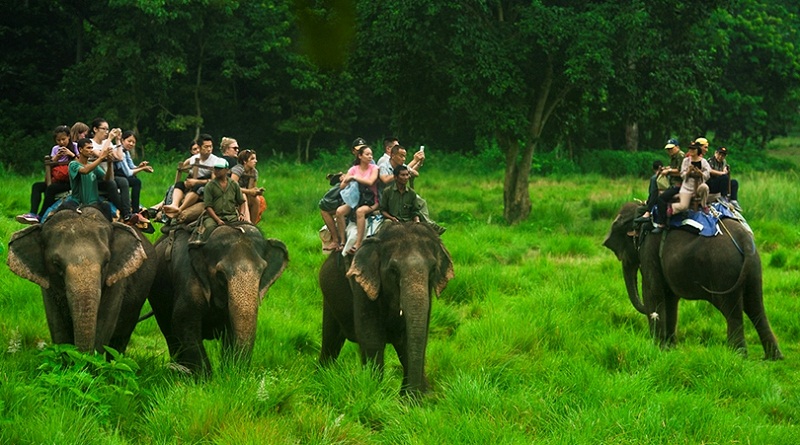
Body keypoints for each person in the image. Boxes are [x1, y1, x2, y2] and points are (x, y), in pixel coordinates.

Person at [67, 138, 140, 224]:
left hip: (94, 202)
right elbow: (84, 171)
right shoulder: (73, 164)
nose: (91, 150)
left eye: (91, 148)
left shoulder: (92, 165)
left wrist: (109, 163)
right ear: (80, 149)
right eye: (88, 148)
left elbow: (106, 178)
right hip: (78, 202)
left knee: (106, 208)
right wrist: (101, 158)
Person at [16, 125, 76, 224]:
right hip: (56, 179)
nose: (61, 142)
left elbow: (81, 162)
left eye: (63, 139)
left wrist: (70, 154)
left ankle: (41, 215)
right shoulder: (55, 149)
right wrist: (56, 157)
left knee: (51, 188)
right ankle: (33, 213)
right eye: (58, 140)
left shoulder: (75, 146)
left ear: (69, 137)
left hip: (69, 181)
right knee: (36, 186)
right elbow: (50, 165)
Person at [653, 142, 710, 233]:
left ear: (697, 150)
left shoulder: (703, 161)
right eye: (690, 149)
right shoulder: (686, 160)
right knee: (683, 206)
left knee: (705, 187)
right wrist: (689, 171)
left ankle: (704, 205)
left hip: (698, 184)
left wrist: (700, 173)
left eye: (693, 149)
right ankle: (671, 208)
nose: (691, 151)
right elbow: (682, 175)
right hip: (687, 187)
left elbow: (707, 175)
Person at [162, 133, 222, 218]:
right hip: (194, 181)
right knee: (179, 184)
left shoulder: (215, 161)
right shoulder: (194, 158)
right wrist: (188, 179)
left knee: (198, 187)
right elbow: (182, 167)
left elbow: (214, 182)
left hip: (207, 185)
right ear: (200, 147)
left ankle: (180, 209)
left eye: (210, 146)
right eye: (206, 147)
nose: (209, 149)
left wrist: (196, 181)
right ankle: (174, 205)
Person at [89, 118, 136, 222]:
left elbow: (119, 157)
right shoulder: (90, 143)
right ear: (95, 129)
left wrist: (118, 140)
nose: (106, 132)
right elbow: (101, 155)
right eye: (104, 129)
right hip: (97, 178)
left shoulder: (107, 142)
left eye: (108, 129)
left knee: (123, 181)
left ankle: (128, 213)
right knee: (112, 184)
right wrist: (109, 139)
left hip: (109, 175)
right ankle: (125, 212)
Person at [335, 145, 380, 254]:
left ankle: (358, 243)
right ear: (360, 156)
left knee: (360, 212)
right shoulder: (353, 169)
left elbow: (370, 182)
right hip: (356, 200)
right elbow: (342, 186)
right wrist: (346, 179)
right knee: (339, 212)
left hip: (371, 200)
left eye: (371, 154)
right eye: (367, 154)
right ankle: (342, 241)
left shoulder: (374, 168)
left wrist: (354, 178)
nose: (370, 157)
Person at [191, 159, 246, 244]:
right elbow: (208, 206)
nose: (217, 171)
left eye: (219, 169)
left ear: (226, 170)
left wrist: (242, 214)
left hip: (231, 216)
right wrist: (217, 220)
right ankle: (204, 247)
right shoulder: (210, 185)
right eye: (215, 169)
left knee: (245, 232)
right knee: (209, 229)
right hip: (213, 217)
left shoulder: (234, 184)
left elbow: (241, 201)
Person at [113, 130, 154, 214]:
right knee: (136, 182)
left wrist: (140, 166)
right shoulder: (119, 151)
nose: (131, 144)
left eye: (133, 142)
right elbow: (128, 172)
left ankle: (135, 207)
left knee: (135, 180)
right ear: (122, 140)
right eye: (129, 141)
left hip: (122, 175)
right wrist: (142, 169)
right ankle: (134, 210)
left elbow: (131, 167)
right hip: (115, 176)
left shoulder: (126, 152)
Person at [652, 139, 686, 232]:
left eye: (671, 148)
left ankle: (662, 223)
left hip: (679, 185)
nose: (669, 151)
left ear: (677, 147)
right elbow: (674, 168)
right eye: (668, 149)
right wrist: (666, 168)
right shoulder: (674, 156)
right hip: (673, 183)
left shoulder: (680, 155)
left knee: (661, 198)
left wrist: (669, 171)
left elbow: (681, 171)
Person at [230, 149, 266, 224]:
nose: (255, 161)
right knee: (243, 196)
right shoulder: (238, 169)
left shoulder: (254, 171)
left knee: (256, 199)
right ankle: (247, 221)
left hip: (245, 193)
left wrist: (257, 191)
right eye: (252, 159)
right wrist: (249, 191)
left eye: (255, 159)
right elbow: (232, 186)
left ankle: (253, 224)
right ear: (245, 161)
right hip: (232, 194)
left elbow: (251, 188)